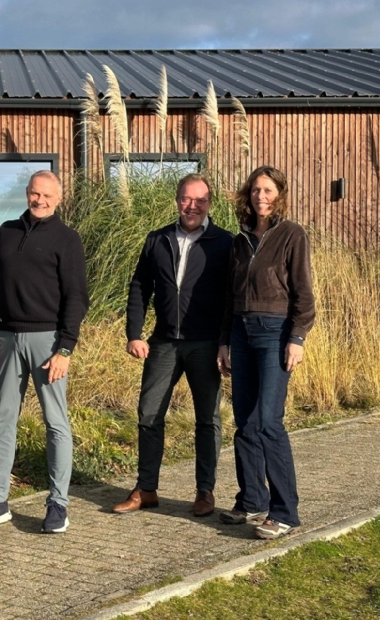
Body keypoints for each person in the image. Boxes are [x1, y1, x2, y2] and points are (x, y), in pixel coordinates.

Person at [0, 170, 89, 534]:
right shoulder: (6, 232)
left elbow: (76, 297)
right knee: (3, 420)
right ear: (27, 192)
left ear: (58, 199)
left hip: (48, 342)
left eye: (47, 196)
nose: (40, 200)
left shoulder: (67, 239)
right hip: (7, 338)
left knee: (56, 422)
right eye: (35, 193)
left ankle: (58, 504)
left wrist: (65, 348)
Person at [113, 174, 233, 518]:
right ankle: (146, 489)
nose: (192, 206)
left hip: (205, 343)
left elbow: (232, 298)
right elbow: (140, 287)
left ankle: (205, 491)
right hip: (164, 342)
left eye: (200, 200)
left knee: (207, 419)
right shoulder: (158, 239)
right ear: (177, 200)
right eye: (186, 199)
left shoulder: (224, 242)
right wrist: (134, 334)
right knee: (149, 415)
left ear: (209, 204)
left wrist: (225, 342)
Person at [217, 165, 315, 540]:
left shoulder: (292, 235)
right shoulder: (239, 240)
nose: (261, 196)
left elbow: (304, 293)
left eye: (268, 190)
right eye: (256, 190)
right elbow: (230, 296)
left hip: (275, 333)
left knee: (268, 421)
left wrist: (297, 337)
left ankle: (285, 511)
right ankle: (252, 500)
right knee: (245, 421)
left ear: (280, 194)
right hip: (241, 333)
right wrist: (224, 341)